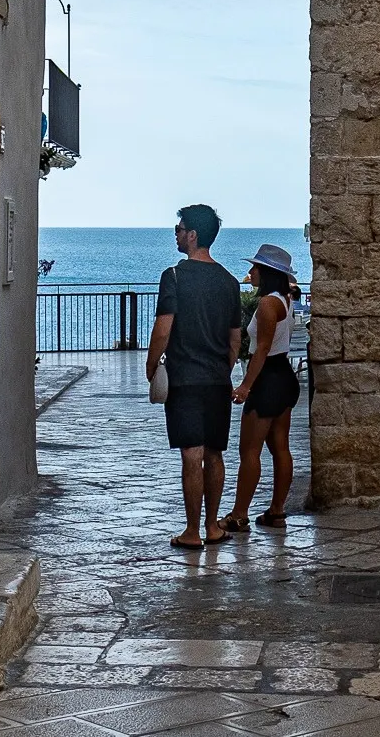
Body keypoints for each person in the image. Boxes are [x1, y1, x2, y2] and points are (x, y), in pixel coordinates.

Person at [145, 204, 244, 550]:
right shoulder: (230, 282)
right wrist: (225, 367)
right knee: (215, 453)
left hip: (185, 380)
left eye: (179, 227)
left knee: (192, 453)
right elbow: (236, 337)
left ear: (192, 235)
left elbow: (163, 328)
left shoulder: (173, 276)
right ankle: (213, 526)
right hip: (218, 379)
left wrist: (151, 364)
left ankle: (191, 531)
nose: (175, 232)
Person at [223, 244, 301, 533]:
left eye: (255, 267)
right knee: (280, 447)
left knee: (250, 451)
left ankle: (239, 514)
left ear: (266, 272)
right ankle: (276, 511)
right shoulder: (286, 298)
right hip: (284, 376)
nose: (250, 272)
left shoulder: (268, 303)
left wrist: (245, 385)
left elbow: (262, 348)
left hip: (267, 379)